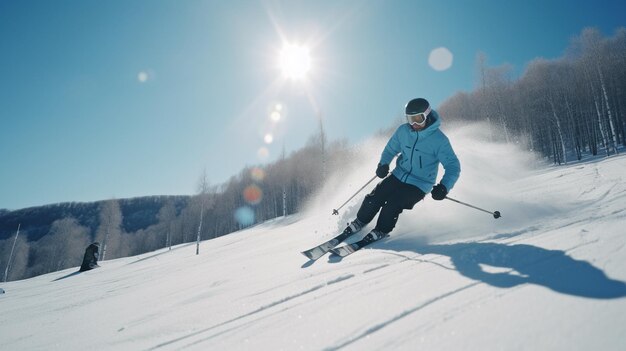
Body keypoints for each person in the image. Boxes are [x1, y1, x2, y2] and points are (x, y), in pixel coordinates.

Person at [344, 98, 461, 243]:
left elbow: (453, 166)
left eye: (418, 119)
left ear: (427, 115)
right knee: (375, 196)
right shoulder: (403, 131)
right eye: (411, 119)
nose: (414, 124)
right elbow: (390, 150)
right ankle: (360, 221)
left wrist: (444, 186)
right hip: (399, 174)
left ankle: (381, 230)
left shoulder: (439, 140)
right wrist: (383, 164)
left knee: (393, 204)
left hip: (420, 184)